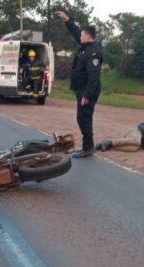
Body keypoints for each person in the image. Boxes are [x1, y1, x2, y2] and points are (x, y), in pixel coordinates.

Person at [55, 10, 103, 158]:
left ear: (88, 37)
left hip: (87, 90)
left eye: (82, 35)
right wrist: (67, 20)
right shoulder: (87, 46)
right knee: (82, 117)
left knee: (84, 117)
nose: (80, 37)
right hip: (81, 88)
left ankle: (88, 148)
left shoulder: (94, 52)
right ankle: (87, 146)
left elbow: (94, 76)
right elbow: (76, 33)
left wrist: (87, 95)